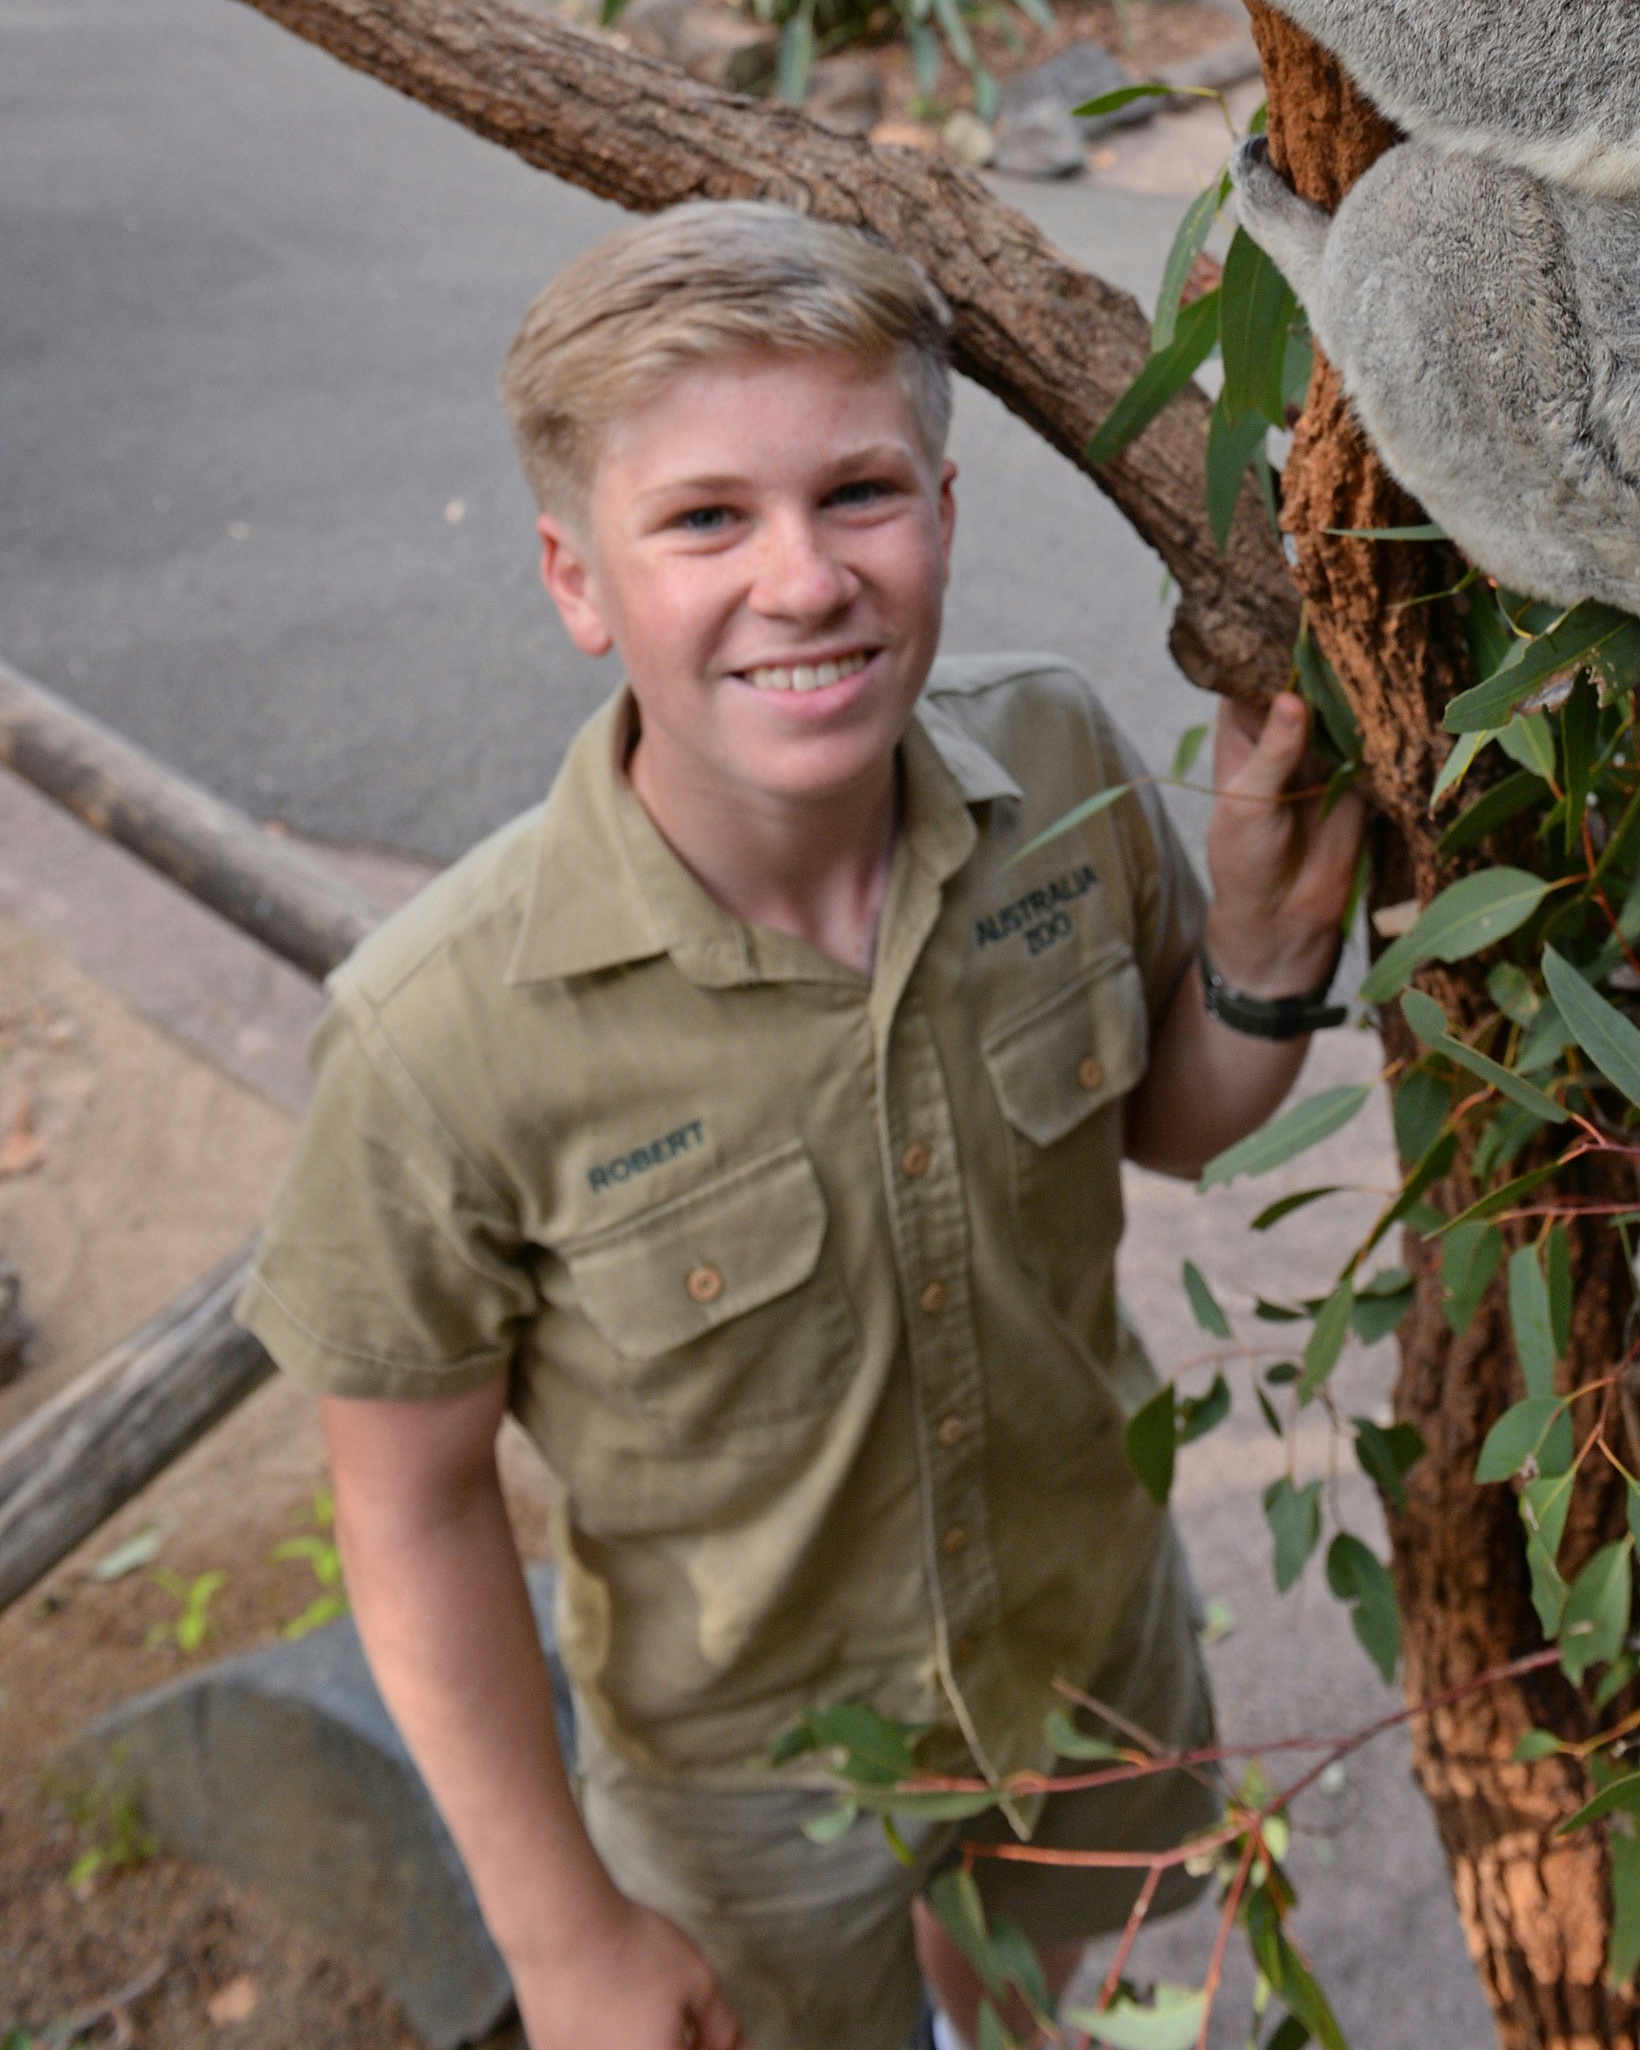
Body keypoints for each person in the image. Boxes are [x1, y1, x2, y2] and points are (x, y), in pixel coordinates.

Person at [236, 203, 1365, 2050]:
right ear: (574, 578)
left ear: (942, 510)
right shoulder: (441, 1037)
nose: (805, 579)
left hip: (1086, 1649)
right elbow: (413, 1509)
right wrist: (561, 1932)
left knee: (1033, 1990)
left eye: (859, 494)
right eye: (703, 520)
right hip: (746, 1791)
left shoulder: (1066, 765)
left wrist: (1256, 949)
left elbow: (1173, 1124)